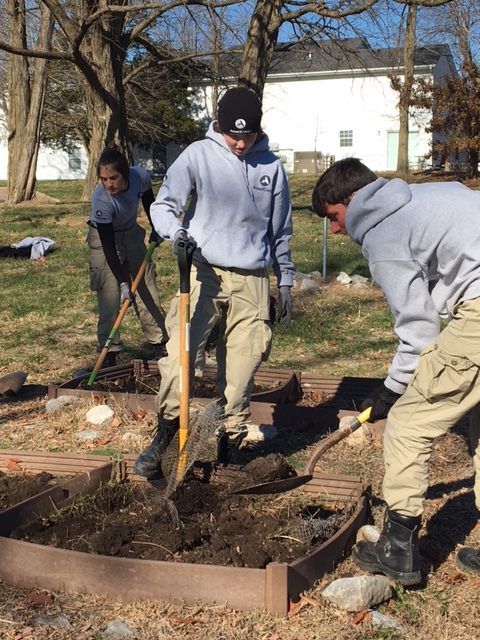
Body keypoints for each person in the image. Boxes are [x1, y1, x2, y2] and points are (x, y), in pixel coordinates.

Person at [311, 157, 480, 586]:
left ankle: (398, 551)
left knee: (407, 425)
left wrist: (390, 394)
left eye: (333, 217)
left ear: (352, 199)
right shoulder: (427, 194)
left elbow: (420, 332)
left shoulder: (382, 233)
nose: (333, 230)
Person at [133, 87, 295, 478]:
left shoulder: (271, 168)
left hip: (253, 281)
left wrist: (284, 279)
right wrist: (176, 234)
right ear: (219, 125)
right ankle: (167, 433)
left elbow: (281, 231)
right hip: (202, 273)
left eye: (249, 135)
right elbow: (163, 205)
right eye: (233, 135)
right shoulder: (198, 155)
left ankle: (229, 445)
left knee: (240, 373)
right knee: (180, 359)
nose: (241, 144)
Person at [87, 147, 168, 367]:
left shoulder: (140, 176)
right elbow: (108, 247)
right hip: (104, 239)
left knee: (146, 287)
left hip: (132, 234)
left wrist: (157, 226)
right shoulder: (101, 199)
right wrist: (123, 283)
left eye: (113, 178)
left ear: (125, 174)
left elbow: (150, 203)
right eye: (104, 179)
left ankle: (159, 343)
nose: (109, 184)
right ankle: (109, 351)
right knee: (110, 295)